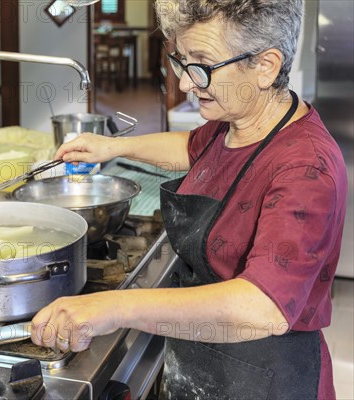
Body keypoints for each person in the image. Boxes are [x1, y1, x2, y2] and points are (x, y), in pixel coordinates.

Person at [30, 0, 348, 398]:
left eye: (202, 64)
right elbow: (190, 149)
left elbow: (262, 306)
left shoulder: (306, 166)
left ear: (266, 66)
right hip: (203, 361)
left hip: (266, 377)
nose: (184, 83)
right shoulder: (234, 122)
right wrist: (111, 147)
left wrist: (117, 307)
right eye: (181, 61)